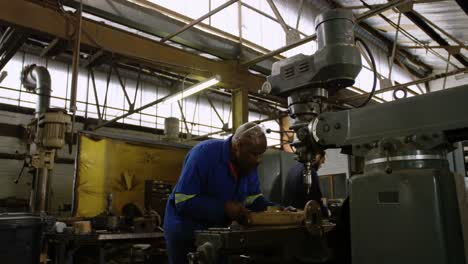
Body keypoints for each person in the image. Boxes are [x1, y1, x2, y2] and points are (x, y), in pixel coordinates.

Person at [163, 122, 277, 264]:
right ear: (238, 146)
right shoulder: (204, 154)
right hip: (185, 231)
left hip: (218, 232)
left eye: (261, 154)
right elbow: (183, 201)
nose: (258, 160)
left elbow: (253, 199)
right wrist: (224, 208)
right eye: (254, 154)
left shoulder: (248, 164)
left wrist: (276, 210)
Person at [283, 149, 327, 216]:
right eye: (322, 161)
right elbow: (315, 199)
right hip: (303, 217)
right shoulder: (310, 171)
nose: (322, 163)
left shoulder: (292, 169)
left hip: (291, 215)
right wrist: (326, 212)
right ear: (318, 156)